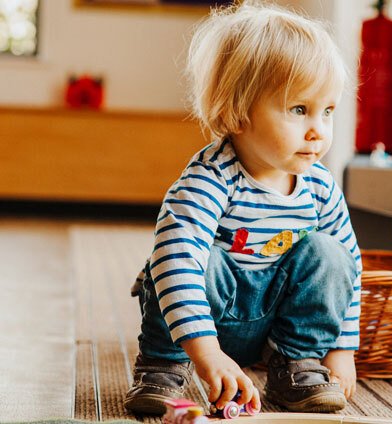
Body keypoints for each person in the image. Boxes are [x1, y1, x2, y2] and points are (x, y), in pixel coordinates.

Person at [124, 0, 362, 416]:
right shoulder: (210, 179)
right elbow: (176, 261)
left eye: (327, 112)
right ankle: (161, 367)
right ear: (237, 113)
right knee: (183, 260)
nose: (317, 131)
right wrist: (207, 353)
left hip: (273, 325)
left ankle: (294, 365)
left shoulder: (320, 187)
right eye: (299, 110)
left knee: (331, 254)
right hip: (198, 323)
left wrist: (341, 349)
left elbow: (351, 270)